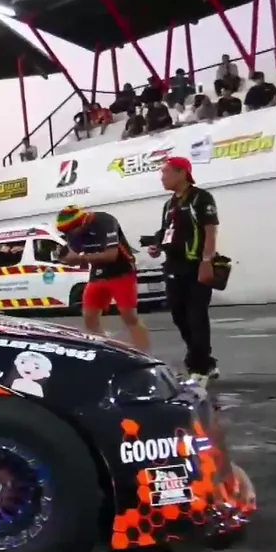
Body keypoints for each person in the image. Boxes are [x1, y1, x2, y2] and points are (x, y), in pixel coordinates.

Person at [148, 157, 220, 385]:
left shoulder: (201, 198)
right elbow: (166, 231)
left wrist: (207, 260)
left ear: (181, 173)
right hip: (173, 266)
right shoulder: (169, 204)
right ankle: (205, 361)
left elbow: (210, 231)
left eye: (166, 172)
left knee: (197, 317)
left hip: (196, 266)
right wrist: (157, 247)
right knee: (179, 317)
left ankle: (198, 369)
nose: (162, 177)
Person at [54, 206, 151, 352]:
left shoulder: (104, 221)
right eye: (65, 232)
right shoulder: (72, 232)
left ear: (82, 222)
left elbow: (111, 255)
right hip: (98, 274)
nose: (69, 235)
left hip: (121, 272)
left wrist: (81, 258)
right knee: (89, 317)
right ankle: (105, 350)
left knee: (129, 317)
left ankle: (145, 353)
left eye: (70, 231)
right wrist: (65, 259)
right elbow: (75, 258)